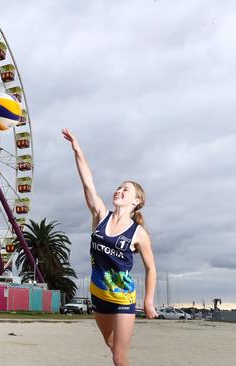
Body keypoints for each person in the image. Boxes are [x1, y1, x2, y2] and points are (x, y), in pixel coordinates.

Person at [62, 128, 158, 366]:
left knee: (118, 356)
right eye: (118, 187)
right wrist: (77, 148)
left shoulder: (139, 234)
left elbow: (151, 268)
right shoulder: (100, 215)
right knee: (111, 344)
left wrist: (148, 302)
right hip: (98, 294)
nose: (119, 190)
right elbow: (88, 182)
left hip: (123, 298)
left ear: (136, 201)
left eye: (126, 189)